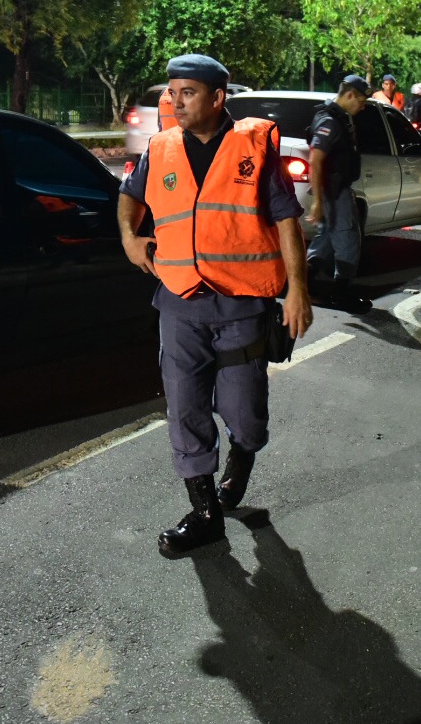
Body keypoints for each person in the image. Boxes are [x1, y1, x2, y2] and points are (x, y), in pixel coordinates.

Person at [117, 53, 314, 558]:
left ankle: (242, 460)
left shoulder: (253, 150)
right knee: (184, 409)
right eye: (172, 91)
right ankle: (205, 513)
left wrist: (297, 290)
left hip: (241, 306)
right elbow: (129, 197)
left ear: (217, 97)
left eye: (187, 92)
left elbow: (288, 221)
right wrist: (130, 238)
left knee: (244, 416)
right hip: (180, 303)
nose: (174, 101)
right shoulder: (160, 148)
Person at [305, 75, 371, 314]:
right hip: (334, 192)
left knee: (324, 242)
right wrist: (318, 203)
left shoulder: (338, 117)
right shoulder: (330, 121)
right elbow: (315, 159)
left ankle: (304, 287)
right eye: (361, 100)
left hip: (334, 189)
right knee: (348, 240)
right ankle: (343, 295)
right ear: (350, 94)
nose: (362, 106)